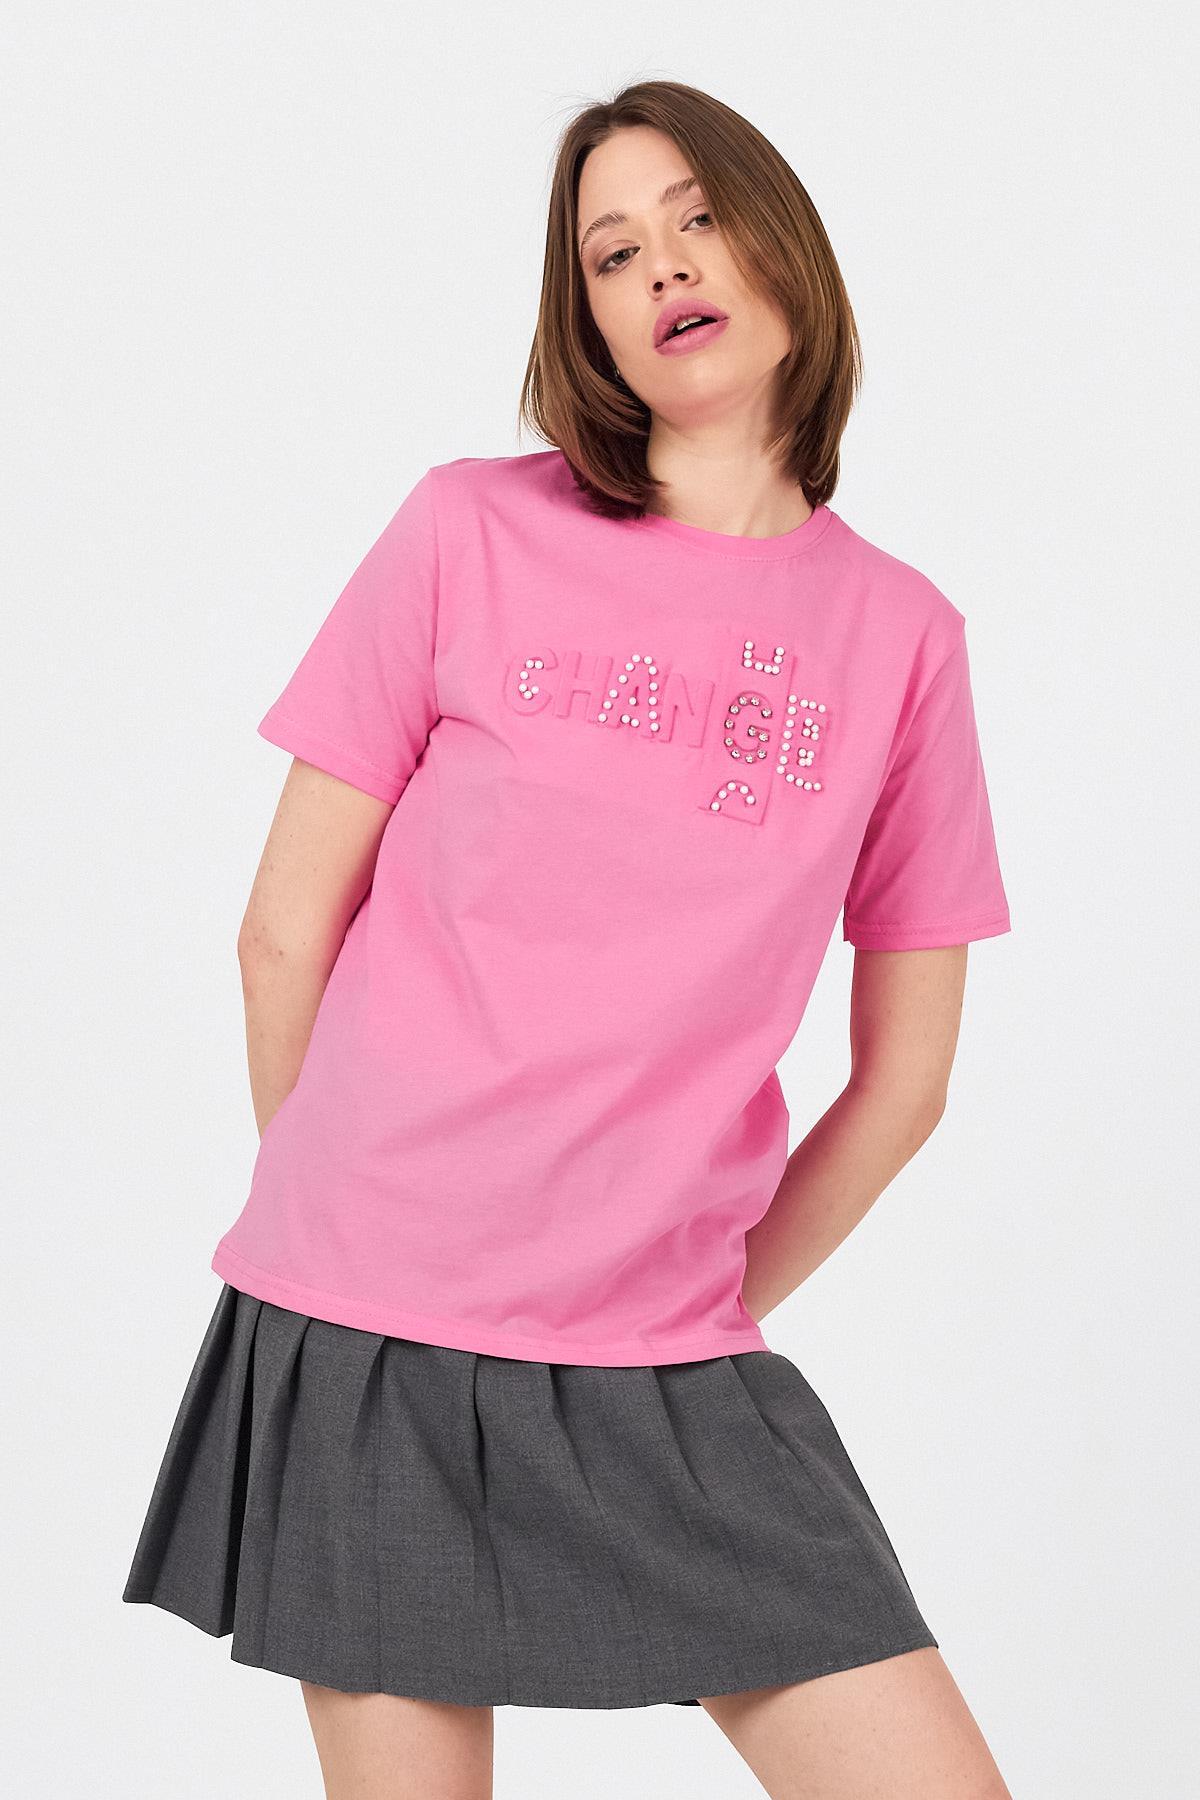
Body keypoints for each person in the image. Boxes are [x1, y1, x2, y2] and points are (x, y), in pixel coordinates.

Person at [122, 78, 1015, 1800]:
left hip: (659, 1346)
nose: (663, 265)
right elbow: (283, 928)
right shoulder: (468, 527)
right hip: (367, 1330)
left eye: (698, 217)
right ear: (588, 321)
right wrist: (354, 1232)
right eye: (612, 253)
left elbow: (904, 1083)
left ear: (783, 247)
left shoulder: (901, 640)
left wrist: (699, 1296)